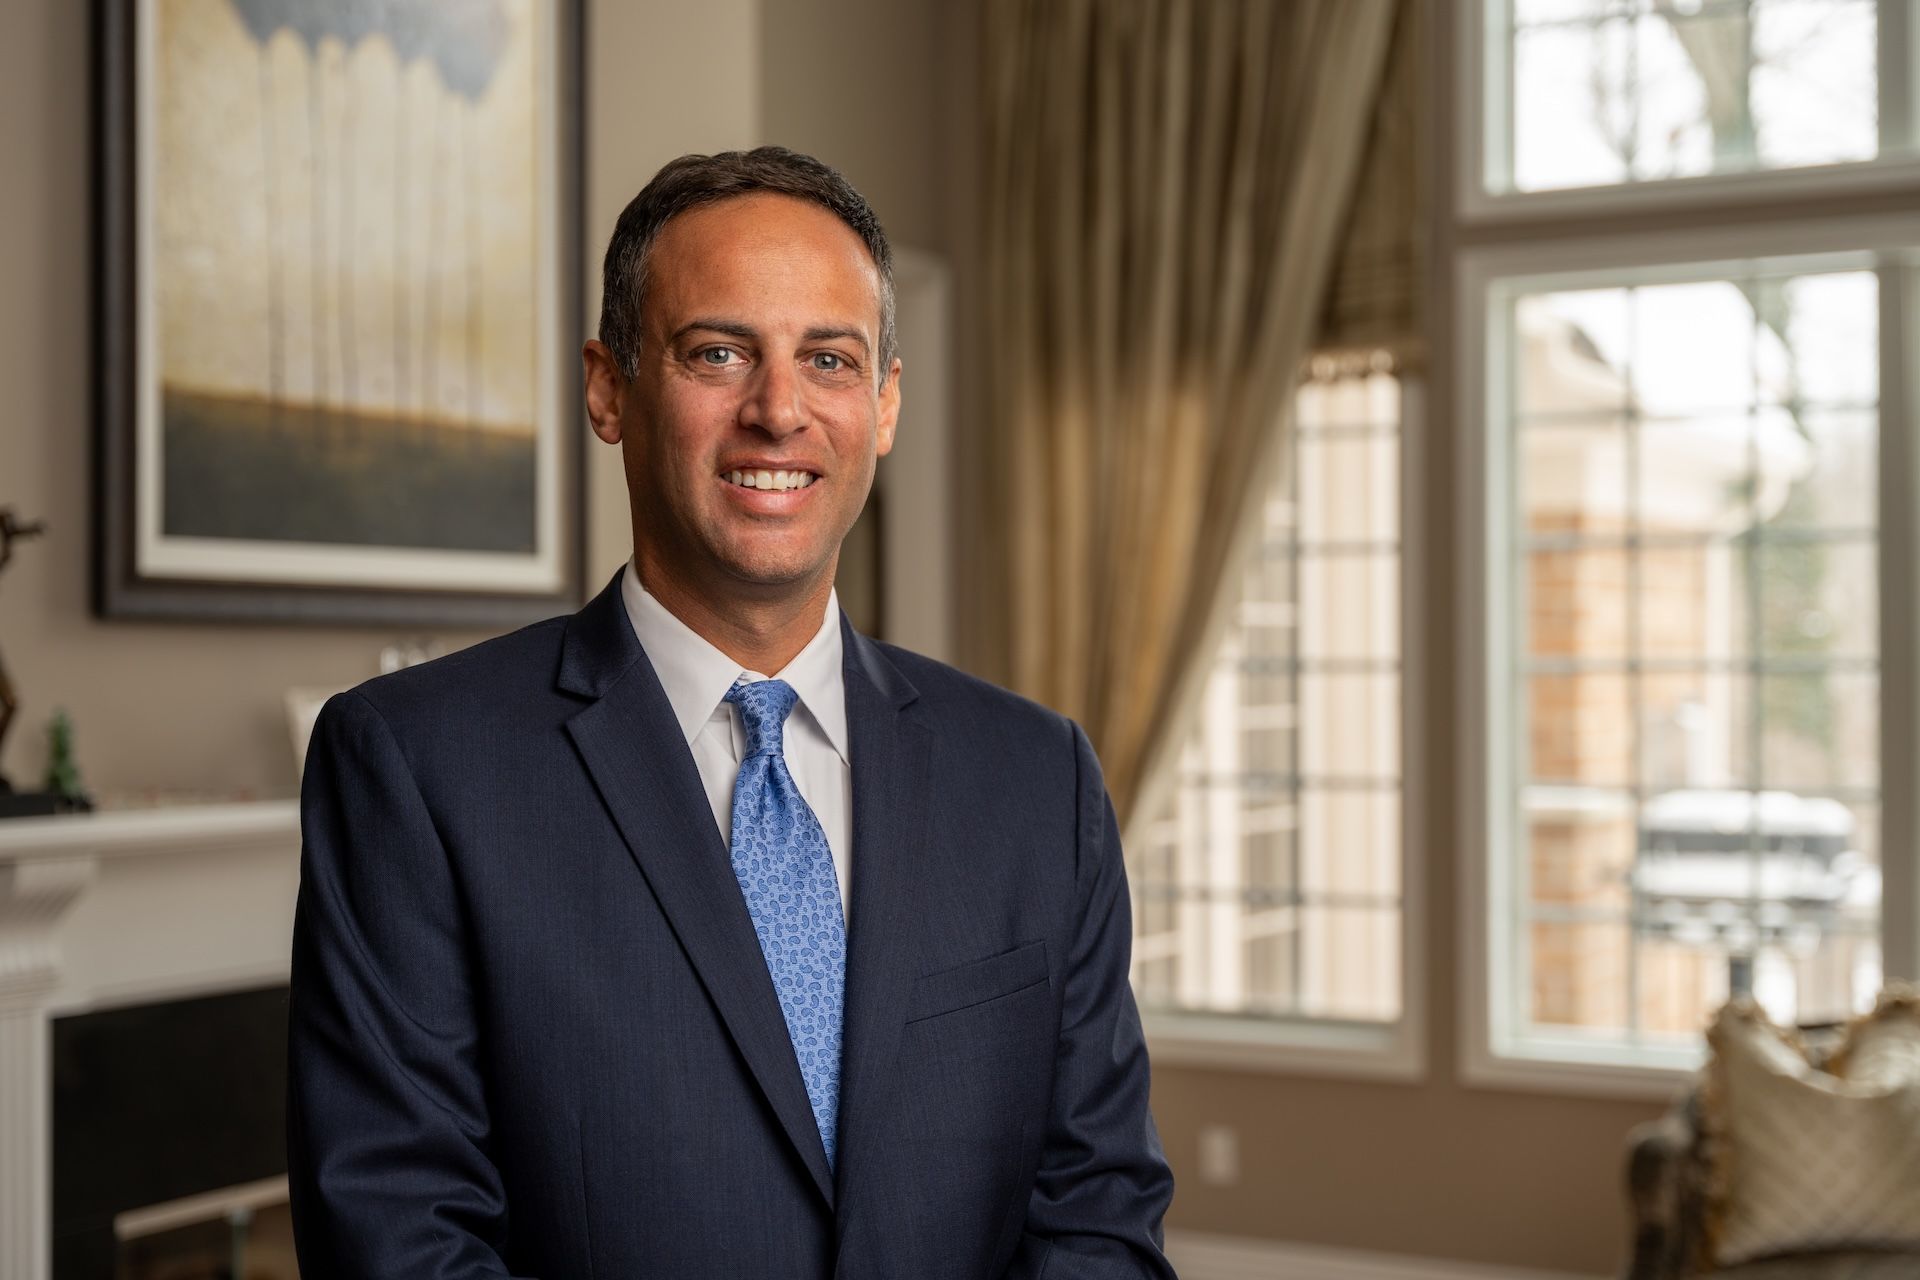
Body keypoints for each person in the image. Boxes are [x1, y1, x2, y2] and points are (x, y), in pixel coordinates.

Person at [287, 146, 1176, 1279]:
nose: (779, 409)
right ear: (611, 388)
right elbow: (395, 1236)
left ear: (886, 403)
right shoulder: (415, 767)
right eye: (718, 352)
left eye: (830, 359)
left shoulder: (1035, 777)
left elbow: (1098, 1209)